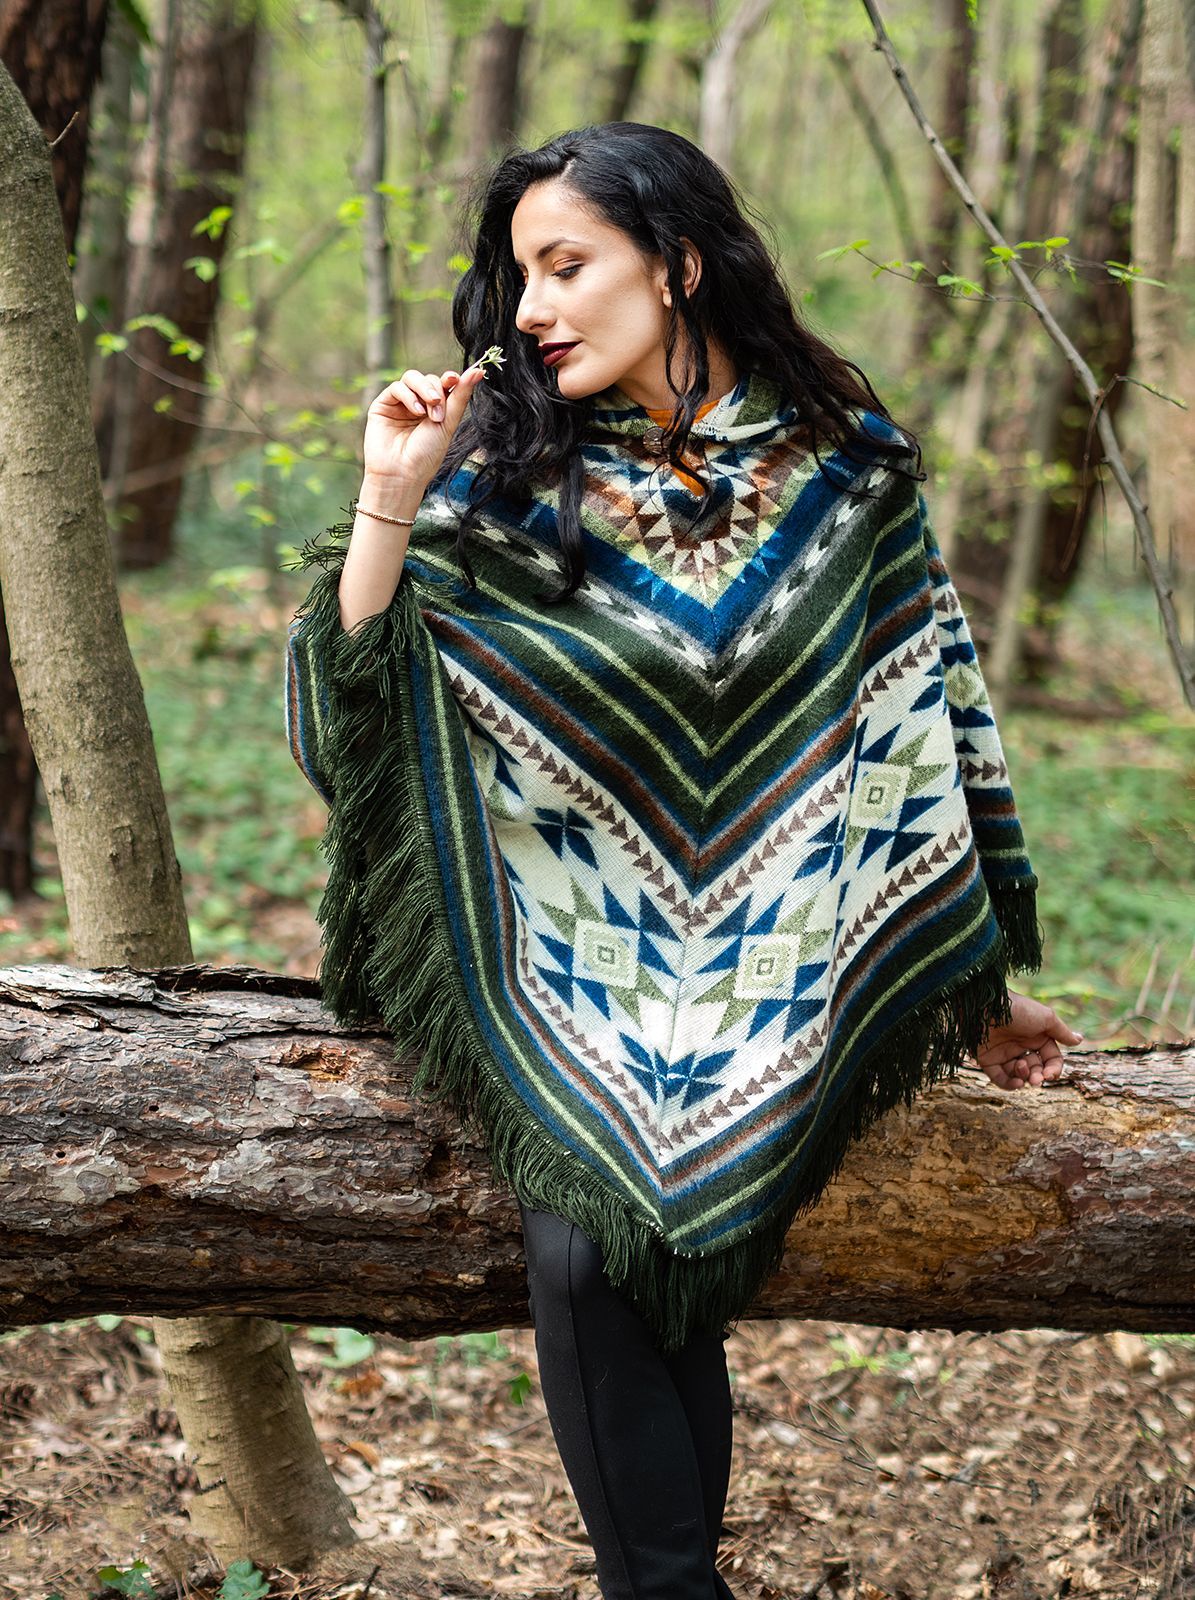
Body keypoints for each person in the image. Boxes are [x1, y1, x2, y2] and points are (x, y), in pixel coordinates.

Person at [285, 122, 1084, 1600]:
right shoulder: (509, 475)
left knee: (669, 1270)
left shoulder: (848, 475)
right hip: (564, 953)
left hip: (786, 963)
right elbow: (354, 726)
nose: (531, 308)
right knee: (593, 1251)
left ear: (679, 263)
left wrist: (968, 983)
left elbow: (928, 728)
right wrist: (391, 492)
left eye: (565, 265)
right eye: (519, 275)